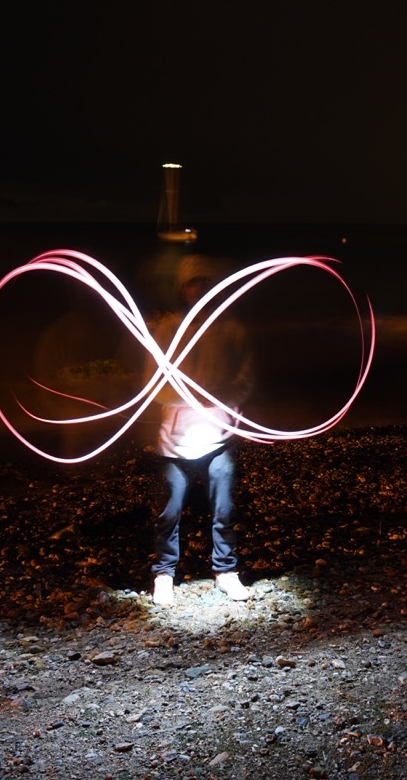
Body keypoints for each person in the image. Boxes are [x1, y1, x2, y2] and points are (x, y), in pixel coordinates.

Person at [150, 255, 255, 605]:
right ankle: (164, 574)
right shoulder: (166, 330)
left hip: (219, 437)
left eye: (205, 282)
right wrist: (185, 394)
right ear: (183, 289)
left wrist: (212, 396)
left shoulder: (233, 330)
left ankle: (225, 572)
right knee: (169, 510)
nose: (199, 289)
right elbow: (154, 385)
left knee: (224, 509)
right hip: (175, 442)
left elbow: (246, 380)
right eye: (193, 283)